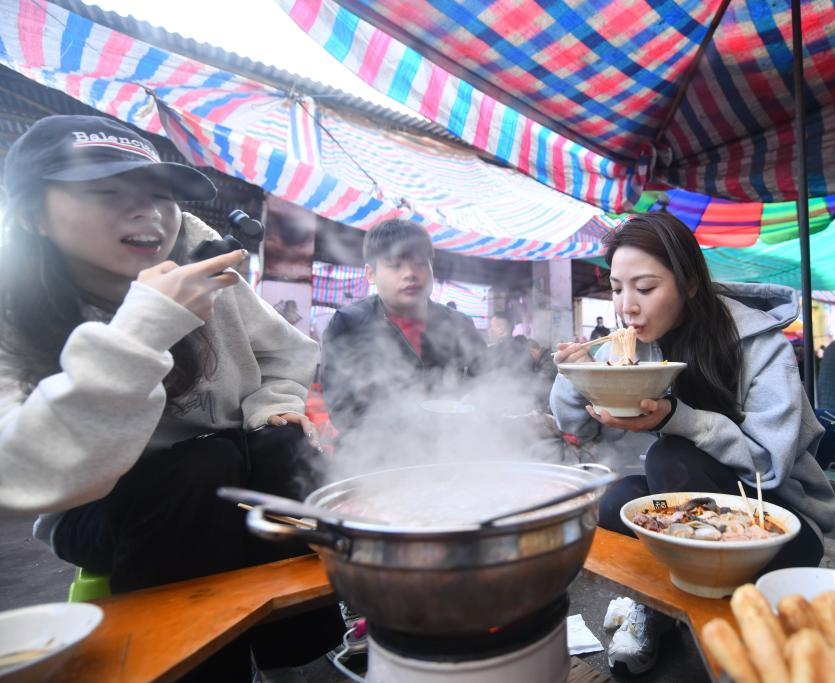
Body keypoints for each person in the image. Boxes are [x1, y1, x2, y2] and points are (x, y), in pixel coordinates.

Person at [0, 115, 339, 679]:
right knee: (204, 462)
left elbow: (286, 354)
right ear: (35, 213)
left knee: (280, 444)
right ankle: (197, 668)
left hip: (232, 477)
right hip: (104, 505)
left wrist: (271, 408)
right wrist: (145, 327)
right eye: (107, 192)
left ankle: (302, 657)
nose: (147, 213)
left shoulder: (202, 265)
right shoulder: (14, 312)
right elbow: (18, 477)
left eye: (160, 195)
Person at [550, 213, 835, 675]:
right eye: (618, 288)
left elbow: (769, 466)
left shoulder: (759, 345)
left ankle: (689, 624)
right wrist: (572, 375)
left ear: (688, 285)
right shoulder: (636, 344)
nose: (627, 307)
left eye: (645, 289)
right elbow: (580, 429)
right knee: (615, 501)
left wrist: (678, 419)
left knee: (672, 456)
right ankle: (662, 606)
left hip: (781, 520)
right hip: (697, 508)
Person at [320, 218, 487, 430]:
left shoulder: (459, 324)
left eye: (420, 263)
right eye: (395, 265)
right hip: (374, 453)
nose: (410, 274)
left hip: (450, 443)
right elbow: (341, 408)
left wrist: (476, 401)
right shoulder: (348, 323)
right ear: (371, 274)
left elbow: (489, 379)